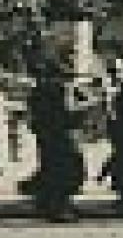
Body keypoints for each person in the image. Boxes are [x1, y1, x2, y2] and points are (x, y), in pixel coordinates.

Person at [25, 52, 86, 221]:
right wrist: (85, 105)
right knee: (65, 168)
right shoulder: (56, 90)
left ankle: (48, 203)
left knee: (52, 167)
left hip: (47, 134)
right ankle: (57, 206)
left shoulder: (39, 90)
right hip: (57, 133)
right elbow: (67, 114)